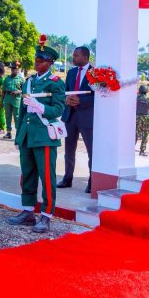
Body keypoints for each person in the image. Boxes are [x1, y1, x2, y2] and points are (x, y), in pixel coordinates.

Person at [7, 41, 66, 234]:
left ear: (50, 63)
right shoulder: (29, 82)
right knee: (27, 174)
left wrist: (40, 106)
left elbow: (58, 109)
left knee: (47, 177)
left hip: (44, 136)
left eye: (41, 60)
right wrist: (19, 136)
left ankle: (46, 216)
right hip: (28, 135)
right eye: (36, 59)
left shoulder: (56, 83)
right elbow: (23, 113)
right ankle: (28, 211)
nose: (36, 62)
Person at [59, 46, 94, 193]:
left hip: (86, 117)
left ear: (85, 57)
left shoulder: (95, 73)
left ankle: (92, 182)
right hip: (71, 116)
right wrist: (67, 99)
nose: (73, 58)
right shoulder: (72, 72)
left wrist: (81, 100)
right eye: (73, 55)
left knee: (91, 151)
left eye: (76, 55)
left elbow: (97, 96)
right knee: (69, 150)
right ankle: (67, 179)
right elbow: (65, 91)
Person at [1, 61, 24, 140]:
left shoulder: (21, 79)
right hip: (7, 98)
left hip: (16, 100)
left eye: (16, 69)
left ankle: (18, 134)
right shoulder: (7, 79)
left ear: (18, 70)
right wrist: (2, 101)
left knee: (17, 117)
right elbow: (3, 90)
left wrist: (18, 91)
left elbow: (24, 90)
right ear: (11, 70)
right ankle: (8, 133)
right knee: (8, 116)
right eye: (13, 69)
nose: (15, 71)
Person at [136, 84, 149, 157]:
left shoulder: (135, 98)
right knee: (145, 135)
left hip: (136, 119)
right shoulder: (148, 100)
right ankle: (142, 151)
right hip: (146, 119)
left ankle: (129, 150)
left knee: (135, 135)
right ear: (146, 91)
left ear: (139, 91)